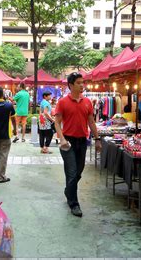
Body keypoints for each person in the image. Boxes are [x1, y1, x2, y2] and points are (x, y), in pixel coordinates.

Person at [54, 72, 101, 217]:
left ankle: (68, 191)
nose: (82, 85)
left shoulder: (87, 102)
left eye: (83, 82)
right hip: (68, 142)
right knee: (72, 172)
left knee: (78, 173)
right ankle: (74, 204)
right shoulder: (62, 102)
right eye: (79, 83)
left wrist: (97, 139)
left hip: (82, 141)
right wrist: (61, 139)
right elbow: (57, 122)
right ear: (70, 85)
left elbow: (91, 122)